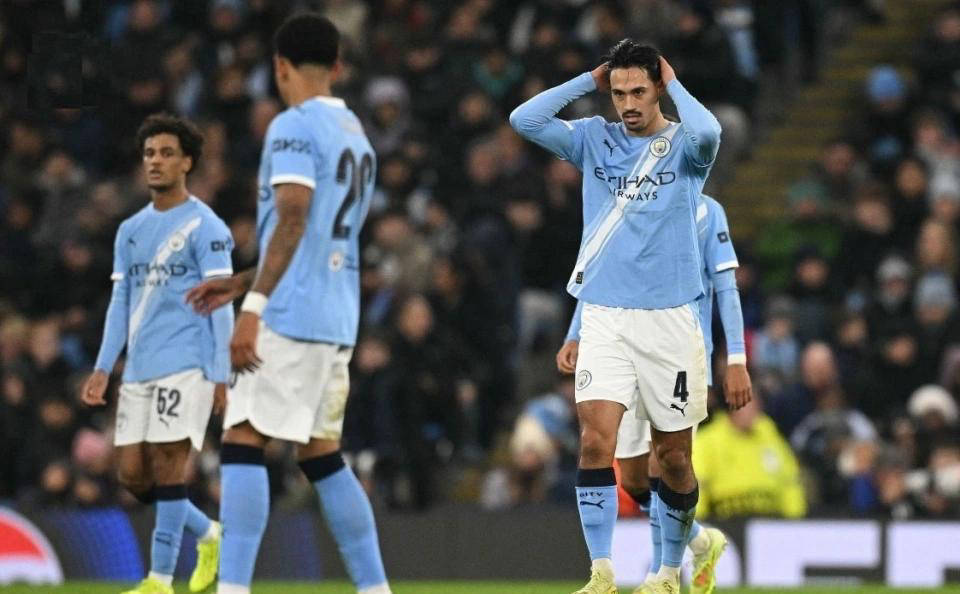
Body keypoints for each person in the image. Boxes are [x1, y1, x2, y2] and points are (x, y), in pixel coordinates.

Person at [185, 14, 390, 594]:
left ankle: (232, 587)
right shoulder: (355, 133)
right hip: (337, 316)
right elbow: (318, 235)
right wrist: (243, 282)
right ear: (337, 66)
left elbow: (294, 219)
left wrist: (253, 308)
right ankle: (375, 589)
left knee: (243, 438)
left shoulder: (292, 126)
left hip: (291, 314)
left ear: (280, 67)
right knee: (322, 455)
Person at [510, 38, 723, 594]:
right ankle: (601, 572)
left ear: (658, 89)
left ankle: (668, 572)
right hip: (605, 317)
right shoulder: (593, 139)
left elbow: (709, 132)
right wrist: (590, 79)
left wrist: (674, 82)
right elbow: (524, 119)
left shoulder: (684, 148)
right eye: (619, 92)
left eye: (639, 92)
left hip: (670, 322)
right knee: (594, 443)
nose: (627, 104)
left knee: (672, 458)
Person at [559, 194, 751, 594]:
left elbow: (726, 287)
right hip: (621, 345)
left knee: (667, 462)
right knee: (633, 481)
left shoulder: (706, 211)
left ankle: (663, 577)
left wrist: (736, 358)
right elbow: (599, 273)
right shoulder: (625, 203)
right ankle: (702, 541)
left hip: (679, 349)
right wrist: (575, 333)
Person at [81, 113, 232, 594]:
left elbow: (221, 300)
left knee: (169, 466)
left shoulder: (206, 226)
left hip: (187, 362)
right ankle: (209, 534)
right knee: (132, 476)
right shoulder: (130, 229)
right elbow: (120, 302)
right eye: (149, 153)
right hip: (139, 368)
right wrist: (103, 367)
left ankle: (159, 580)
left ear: (187, 163)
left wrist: (221, 372)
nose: (155, 161)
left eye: (167, 153)